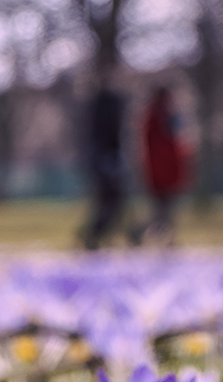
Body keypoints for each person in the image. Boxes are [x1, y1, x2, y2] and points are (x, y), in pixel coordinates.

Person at [130, 86, 188, 246]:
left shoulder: (162, 115)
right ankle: (141, 232)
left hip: (164, 169)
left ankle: (167, 239)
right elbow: (163, 144)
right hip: (161, 170)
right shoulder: (157, 117)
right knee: (162, 210)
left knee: (165, 209)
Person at [81, 68, 127, 250]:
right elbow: (109, 134)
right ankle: (95, 234)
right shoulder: (108, 105)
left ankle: (99, 235)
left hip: (104, 157)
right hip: (106, 157)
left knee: (109, 201)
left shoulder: (99, 104)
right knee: (110, 200)